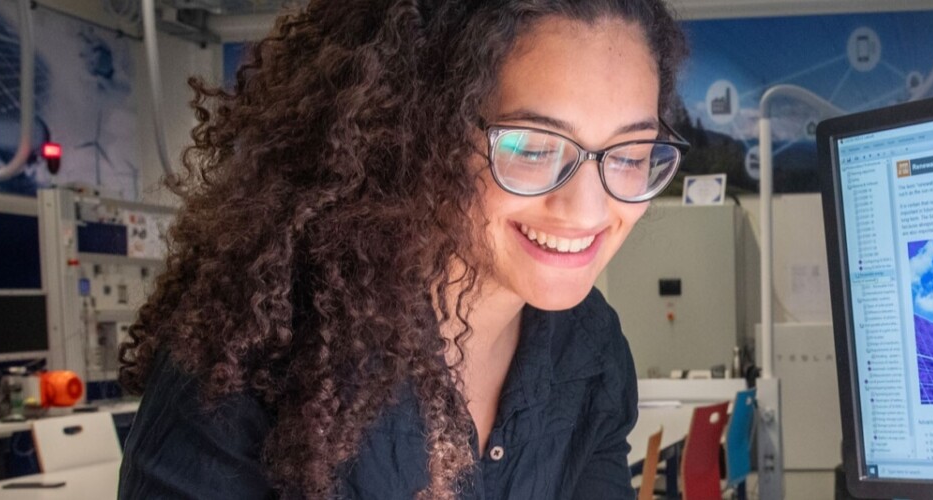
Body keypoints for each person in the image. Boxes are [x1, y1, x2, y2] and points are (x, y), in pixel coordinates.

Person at [117, 0, 689, 498]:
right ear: (415, 132)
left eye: (632, 154)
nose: (589, 209)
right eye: (531, 147)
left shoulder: (588, 350)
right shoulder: (254, 349)